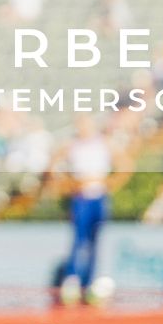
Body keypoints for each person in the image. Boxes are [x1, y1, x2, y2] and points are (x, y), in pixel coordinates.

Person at [48, 115, 129, 305]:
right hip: (81, 198)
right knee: (78, 241)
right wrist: (68, 185)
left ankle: (88, 282)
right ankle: (72, 281)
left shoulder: (104, 144)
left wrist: (109, 183)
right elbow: (53, 166)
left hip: (98, 197)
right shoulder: (72, 145)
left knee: (94, 241)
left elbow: (125, 165)